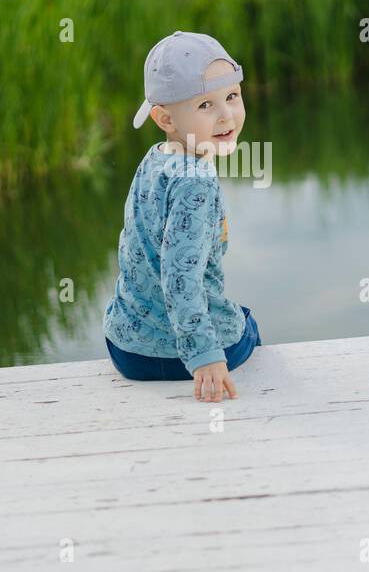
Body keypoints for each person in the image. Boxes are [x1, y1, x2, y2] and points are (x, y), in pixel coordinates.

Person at [102, 31, 262, 402]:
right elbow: (179, 278)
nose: (226, 116)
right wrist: (204, 356)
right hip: (173, 357)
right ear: (164, 117)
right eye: (205, 105)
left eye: (232, 97)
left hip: (125, 347)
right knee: (246, 325)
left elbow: (134, 247)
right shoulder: (197, 182)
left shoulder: (155, 159)